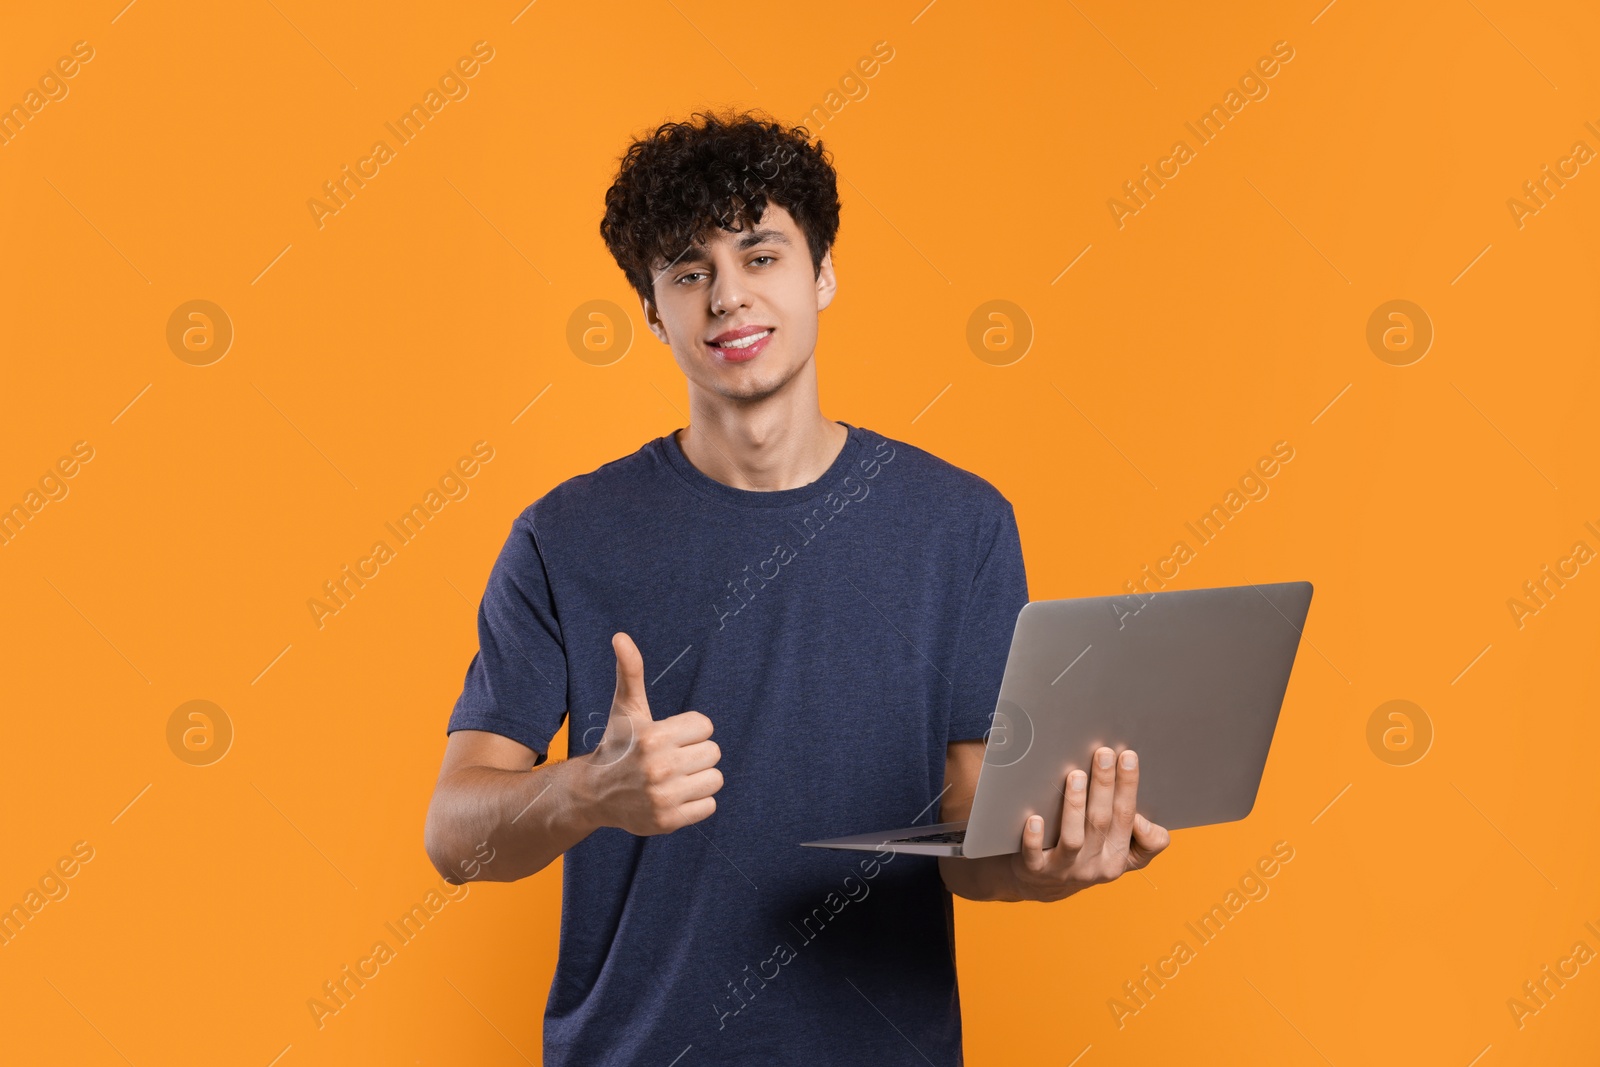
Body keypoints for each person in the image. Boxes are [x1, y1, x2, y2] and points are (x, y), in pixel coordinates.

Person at [423, 109, 1170, 1066]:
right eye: (689, 272)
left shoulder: (962, 525)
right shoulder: (564, 537)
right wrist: (589, 790)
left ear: (821, 275)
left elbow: (973, 834)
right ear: (652, 311)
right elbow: (454, 836)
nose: (728, 297)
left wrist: (1051, 862)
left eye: (761, 255)